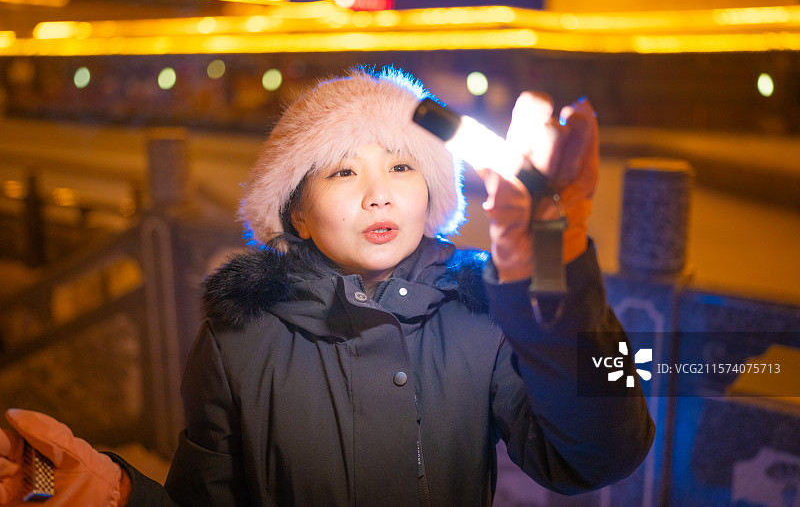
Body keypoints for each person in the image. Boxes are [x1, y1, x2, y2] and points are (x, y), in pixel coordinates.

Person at [0, 67, 654, 506]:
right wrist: (113, 493)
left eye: (402, 165)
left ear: (433, 195)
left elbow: (597, 453)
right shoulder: (239, 341)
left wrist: (553, 266)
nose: (378, 192)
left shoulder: (477, 313)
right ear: (298, 213)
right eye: (343, 171)